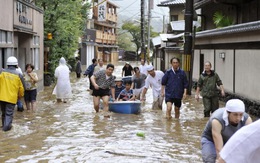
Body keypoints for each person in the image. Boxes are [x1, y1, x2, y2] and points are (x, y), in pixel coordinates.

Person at [0, 56, 24, 131]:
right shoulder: (18, 74)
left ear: (7, 64)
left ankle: (3, 126)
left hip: (1, 97)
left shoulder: (2, 73)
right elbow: (21, 88)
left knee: (3, 113)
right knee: (9, 114)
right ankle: (5, 130)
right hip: (11, 98)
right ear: (16, 65)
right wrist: (20, 96)